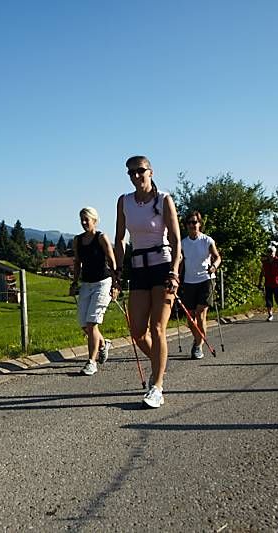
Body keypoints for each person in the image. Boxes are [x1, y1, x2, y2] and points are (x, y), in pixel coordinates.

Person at [114, 155, 182, 408]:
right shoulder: (124, 201)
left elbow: (176, 240)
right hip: (138, 268)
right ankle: (159, 362)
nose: (135, 176)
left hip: (163, 266)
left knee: (157, 328)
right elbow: (120, 239)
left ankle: (157, 386)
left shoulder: (164, 200)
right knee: (137, 332)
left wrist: (175, 271)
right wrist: (117, 271)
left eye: (139, 171)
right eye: (130, 172)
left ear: (150, 172)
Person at [70, 207, 116, 376]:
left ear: (94, 221)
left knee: (92, 323)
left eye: (86, 220)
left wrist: (115, 283)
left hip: (103, 283)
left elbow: (111, 260)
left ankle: (91, 362)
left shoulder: (101, 237)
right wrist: (74, 282)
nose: (83, 223)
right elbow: (77, 263)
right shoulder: (78, 240)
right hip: (86, 284)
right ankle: (103, 344)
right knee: (84, 323)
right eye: (81, 219)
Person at [180, 211, 221, 359]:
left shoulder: (207, 240)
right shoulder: (183, 243)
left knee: (200, 314)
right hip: (189, 281)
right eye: (189, 223)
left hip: (206, 280)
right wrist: (176, 277)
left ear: (199, 224)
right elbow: (180, 262)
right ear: (186, 226)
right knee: (190, 318)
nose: (192, 225)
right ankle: (197, 340)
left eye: (195, 222)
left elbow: (217, 257)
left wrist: (214, 267)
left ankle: (198, 346)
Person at [258, 244, 278, 321]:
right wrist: (260, 282)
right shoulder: (265, 262)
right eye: (268, 252)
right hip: (268, 284)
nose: (270, 254)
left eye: (271, 252)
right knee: (268, 300)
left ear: (274, 252)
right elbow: (262, 273)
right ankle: (270, 315)